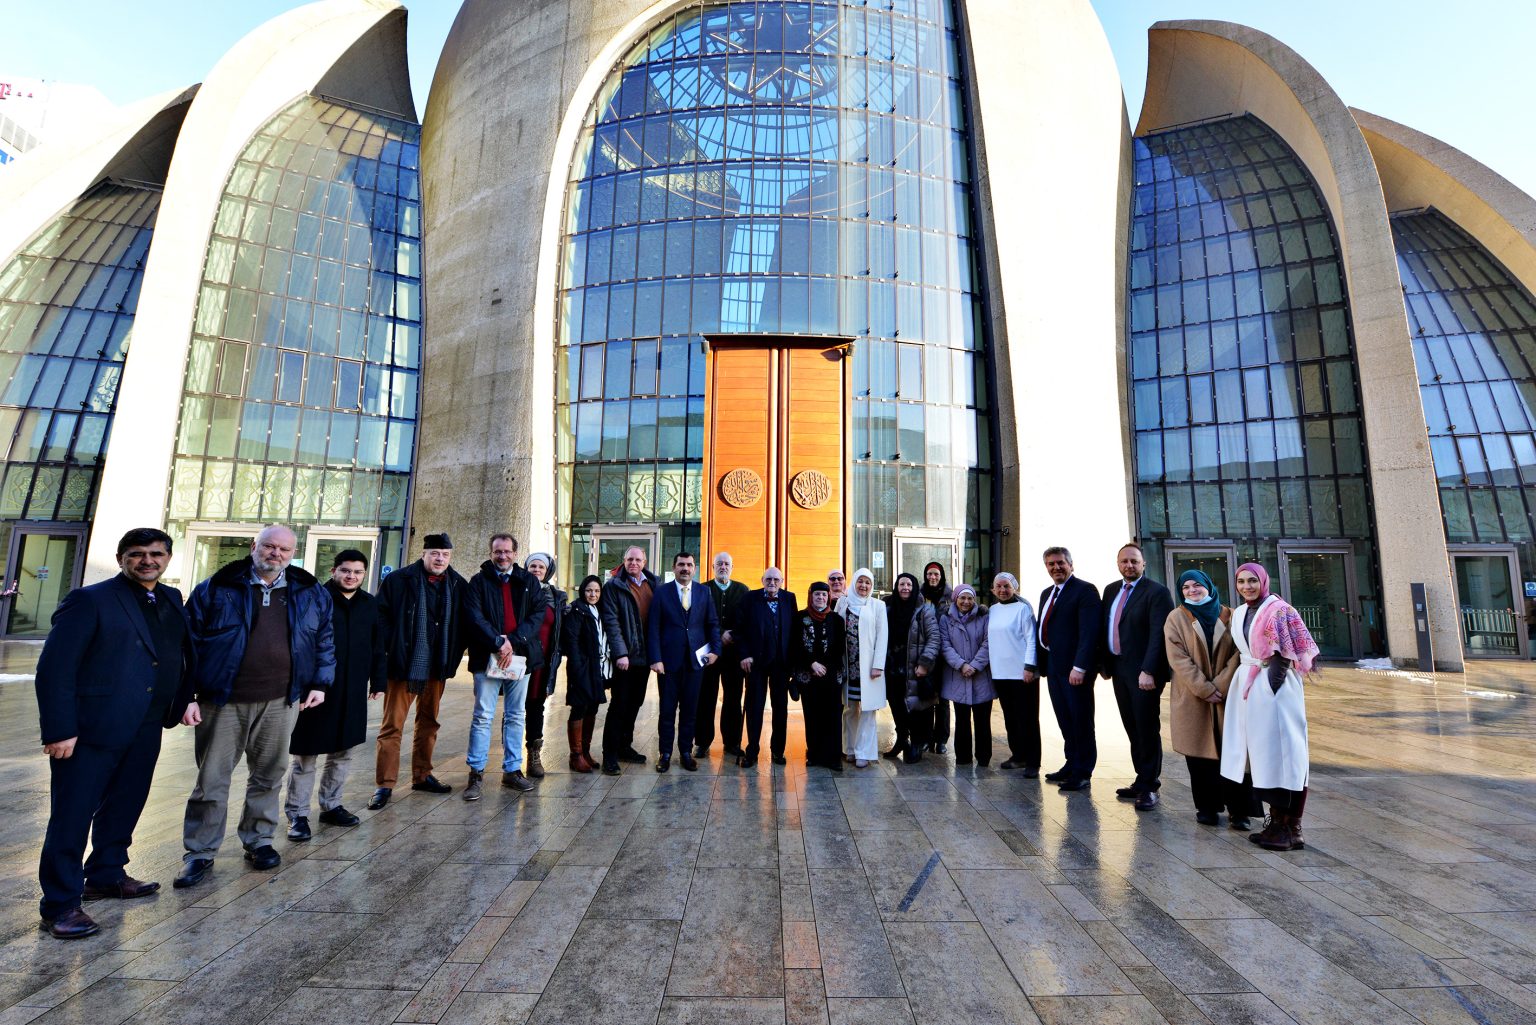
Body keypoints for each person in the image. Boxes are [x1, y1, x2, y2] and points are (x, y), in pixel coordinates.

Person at [34, 528, 195, 938]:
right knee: (72, 816)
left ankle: (106, 874)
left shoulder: (172, 598)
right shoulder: (90, 600)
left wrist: (184, 698)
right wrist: (60, 729)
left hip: (145, 723)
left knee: (125, 803)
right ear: (121, 557)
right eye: (137, 554)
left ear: (168, 557)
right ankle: (60, 904)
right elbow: (55, 668)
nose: (147, 561)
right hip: (90, 728)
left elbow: (175, 654)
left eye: (156, 554)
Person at [177, 525, 334, 888]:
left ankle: (259, 840)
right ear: (254, 547)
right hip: (223, 700)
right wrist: (185, 695)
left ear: (293, 553)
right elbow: (187, 645)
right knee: (211, 779)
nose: (275, 553)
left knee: (269, 774)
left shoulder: (309, 591)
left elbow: (324, 639)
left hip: (282, 700)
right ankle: (199, 852)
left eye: (283, 549)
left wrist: (320, 682)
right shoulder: (216, 587)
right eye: (269, 546)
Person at [284, 549, 386, 840]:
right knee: (306, 754)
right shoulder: (315, 598)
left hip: (353, 689)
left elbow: (378, 645)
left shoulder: (369, 604)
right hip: (316, 689)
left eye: (357, 572)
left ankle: (331, 805)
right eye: (345, 570)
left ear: (364, 574)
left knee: (343, 752)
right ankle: (298, 814)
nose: (351, 576)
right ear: (333, 571)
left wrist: (378, 681)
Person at [1223, 563, 1318, 852]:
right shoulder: (1240, 612)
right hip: (1250, 683)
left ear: (1263, 581)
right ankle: (1279, 824)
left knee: (1286, 753)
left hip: (1274, 685)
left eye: (1252, 580)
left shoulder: (1280, 609)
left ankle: (1290, 826)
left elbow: (1286, 653)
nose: (1246, 586)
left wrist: (1271, 688)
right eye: (1241, 581)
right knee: (1264, 753)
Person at [370, 533, 468, 809]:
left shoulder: (458, 584)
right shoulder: (399, 580)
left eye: (445, 554)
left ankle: (422, 775)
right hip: (404, 666)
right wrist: (394, 647)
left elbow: (462, 624)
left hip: (437, 666)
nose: (440, 559)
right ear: (424, 554)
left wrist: (454, 654)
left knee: (429, 723)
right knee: (392, 726)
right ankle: (384, 785)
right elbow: (381, 617)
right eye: (435, 553)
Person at [1164, 570, 1257, 831]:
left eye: (1197, 585)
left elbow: (1241, 653)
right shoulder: (1176, 617)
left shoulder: (1231, 615)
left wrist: (1221, 685)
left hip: (1228, 696)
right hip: (1194, 698)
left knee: (1235, 754)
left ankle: (1240, 811)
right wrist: (1204, 688)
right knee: (1200, 758)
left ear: (1208, 586)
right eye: (1186, 587)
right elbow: (1178, 658)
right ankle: (1206, 808)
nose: (1192, 591)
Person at [462, 534, 548, 800]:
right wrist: (498, 642)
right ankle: (476, 773)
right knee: (482, 716)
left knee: (515, 715)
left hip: (520, 658)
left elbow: (538, 614)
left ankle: (512, 770)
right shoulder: (478, 582)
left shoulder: (529, 581)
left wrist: (513, 640)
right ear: (491, 552)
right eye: (497, 551)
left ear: (515, 553)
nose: (502, 556)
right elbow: (473, 616)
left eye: (507, 551)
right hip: (487, 657)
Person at [1099, 544, 1175, 810]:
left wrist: (1149, 670)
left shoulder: (1157, 592)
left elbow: (1159, 634)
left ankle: (1150, 786)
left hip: (1144, 672)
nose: (1128, 565)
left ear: (1143, 564)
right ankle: (1141, 778)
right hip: (1119, 669)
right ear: (1118, 563)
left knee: (1146, 728)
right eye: (1124, 561)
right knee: (1132, 727)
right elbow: (1106, 626)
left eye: (1134, 561)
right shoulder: (1110, 590)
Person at [1030, 547, 1100, 792]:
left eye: (1060, 563)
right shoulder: (1047, 593)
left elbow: (1089, 632)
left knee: (1080, 720)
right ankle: (1071, 763)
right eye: (1050, 564)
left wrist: (1080, 667)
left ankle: (1083, 772)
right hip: (1054, 667)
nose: (1056, 567)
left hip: (1075, 671)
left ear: (1071, 564)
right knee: (1065, 719)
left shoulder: (1085, 590)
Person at [646, 552, 720, 772]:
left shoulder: (704, 592)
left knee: (690, 710)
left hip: (695, 664)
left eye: (689, 565)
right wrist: (656, 658)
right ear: (674, 567)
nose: (685, 568)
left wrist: (716, 651)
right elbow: (653, 628)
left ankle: (686, 752)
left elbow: (712, 624)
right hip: (668, 664)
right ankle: (665, 753)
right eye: (681, 565)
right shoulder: (661, 593)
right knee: (667, 711)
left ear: (694, 568)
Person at [600, 546, 660, 774]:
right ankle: (610, 755)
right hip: (625, 658)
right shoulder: (614, 586)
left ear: (644, 562)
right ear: (623, 561)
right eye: (629, 559)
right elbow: (612, 622)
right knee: (619, 705)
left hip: (644, 658)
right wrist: (620, 653)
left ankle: (625, 746)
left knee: (635, 703)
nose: (633, 562)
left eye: (637, 559)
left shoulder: (653, 584)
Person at [737, 567, 799, 767]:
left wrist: (794, 663)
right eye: (769, 579)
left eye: (776, 579)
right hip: (756, 663)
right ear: (762, 579)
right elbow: (741, 629)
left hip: (781, 664)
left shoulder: (790, 598)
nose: (772, 582)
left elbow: (794, 630)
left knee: (780, 709)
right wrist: (744, 654)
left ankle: (777, 751)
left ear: (782, 581)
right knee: (754, 708)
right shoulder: (750, 598)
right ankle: (752, 751)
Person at [694, 552, 749, 758]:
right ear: (713, 566)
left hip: (734, 655)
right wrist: (719, 634)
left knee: (733, 698)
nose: (723, 567)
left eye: (727, 564)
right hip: (709, 653)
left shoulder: (742, 590)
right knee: (705, 697)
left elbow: (746, 620)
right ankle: (702, 742)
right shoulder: (702, 589)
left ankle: (732, 742)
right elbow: (697, 619)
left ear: (732, 567)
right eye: (720, 564)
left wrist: (731, 634)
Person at [987, 573, 1039, 776]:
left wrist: (1029, 667)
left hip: (1022, 673)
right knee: (1010, 718)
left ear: (1015, 587)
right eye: (998, 586)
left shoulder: (1023, 609)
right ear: (993, 589)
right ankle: (1018, 755)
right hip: (1000, 673)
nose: (1002, 590)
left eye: (1006, 586)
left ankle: (1033, 761)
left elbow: (1031, 639)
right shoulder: (992, 610)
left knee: (1028, 718)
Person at [883, 573, 939, 763]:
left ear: (914, 587)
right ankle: (901, 740)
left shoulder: (924, 610)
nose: (905, 587)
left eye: (908, 584)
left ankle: (917, 743)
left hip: (914, 668)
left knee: (916, 708)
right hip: (892, 667)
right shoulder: (888, 607)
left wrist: (924, 664)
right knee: (896, 705)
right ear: (896, 587)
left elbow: (934, 639)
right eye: (901, 584)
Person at [837, 568, 887, 767]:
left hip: (869, 670)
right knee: (849, 710)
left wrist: (878, 665)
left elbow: (883, 637)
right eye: (860, 582)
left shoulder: (878, 606)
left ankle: (864, 752)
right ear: (854, 583)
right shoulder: (843, 602)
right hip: (848, 667)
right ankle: (849, 749)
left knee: (867, 711)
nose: (864, 586)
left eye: (867, 582)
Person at [793, 582, 845, 771]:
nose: (821, 598)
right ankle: (814, 754)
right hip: (809, 675)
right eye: (817, 595)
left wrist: (825, 666)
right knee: (812, 715)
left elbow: (839, 648)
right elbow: (795, 645)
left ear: (829, 596)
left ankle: (833, 757)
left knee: (832, 716)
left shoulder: (837, 620)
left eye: (824, 595)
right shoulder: (800, 617)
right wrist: (812, 664)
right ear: (810, 596)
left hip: (831, 676)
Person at [522, 552, 565, 779]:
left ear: (548, 570)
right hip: (520, 660)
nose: (536, 570)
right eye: (532, 566)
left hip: (544, 662)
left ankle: (533, 756)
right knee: (514, 709)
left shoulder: (556, 597)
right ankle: (510, 760)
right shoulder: (518, 591)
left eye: (540, 566)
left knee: (536, 707)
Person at [939, 585, 992, 767]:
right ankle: (963, 757)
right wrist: (961, 665)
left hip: (981, 676)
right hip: (958, 676)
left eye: (970, 598)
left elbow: (988, 642)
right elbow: (945, 645)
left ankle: (984, 757)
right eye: (962, 598)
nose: (966, 602)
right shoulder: (946, 619)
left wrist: (975, 665)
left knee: (982, 719)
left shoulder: (984, 617)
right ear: (955, 599)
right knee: (962, 719)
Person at [561, 575, 608, 772]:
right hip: (581, 668)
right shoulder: (576, 610)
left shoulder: (599, 609)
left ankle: (586, 751)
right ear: (583, 591)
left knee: (592, 707)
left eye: (597, 591)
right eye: (589, 590)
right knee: (579, 707)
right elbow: (571, 642)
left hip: (597, 667)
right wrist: (578, 667)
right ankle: (576, 755)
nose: (593, 594)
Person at [919, 561, 953, 753]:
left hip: (944, 655)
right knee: (926, 696)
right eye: (930, 574)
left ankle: (941, 739)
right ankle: (926, 738)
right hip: (925, 654)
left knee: (943, 699)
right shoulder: (920, 595)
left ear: (941, 576)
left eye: (936, 574)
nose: (933, 577)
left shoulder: (950, 596)